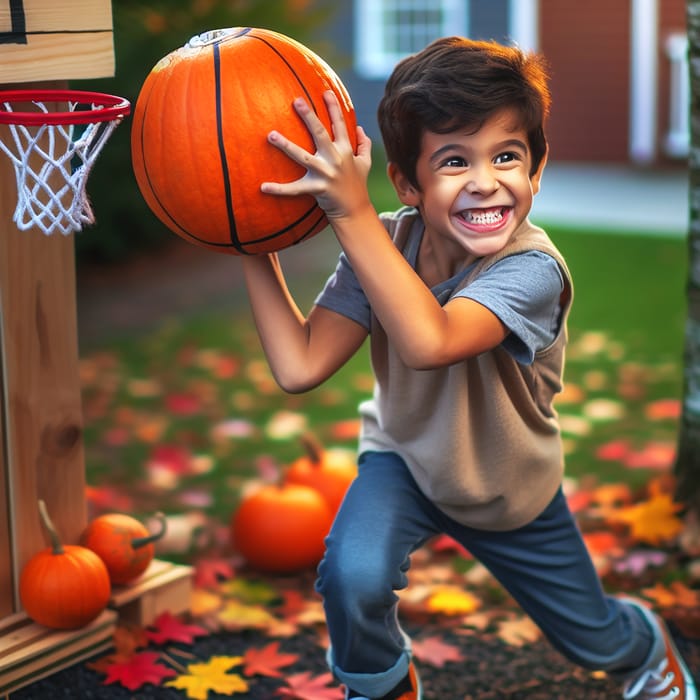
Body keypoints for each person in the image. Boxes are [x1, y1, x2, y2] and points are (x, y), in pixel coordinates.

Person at [241, 36, 697, 700]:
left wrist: (353, 211)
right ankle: (381, 683)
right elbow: (299, 364)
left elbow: (432, 340)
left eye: (507, 156)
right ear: (408, 183)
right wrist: (244, 238)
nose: (486, 181)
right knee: (352, 575)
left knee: (591, 639)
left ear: (536, 170)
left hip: (505, 487)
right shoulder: (388, 244)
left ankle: (647, 647)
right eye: (454, 161)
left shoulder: (531, 269)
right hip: (404, 460)